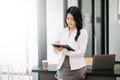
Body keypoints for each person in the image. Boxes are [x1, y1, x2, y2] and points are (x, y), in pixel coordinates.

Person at [53, 6, 88, 80]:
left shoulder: (83, 32)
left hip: (77, 68)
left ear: (77, 19)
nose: (69, 21)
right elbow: (56, 52)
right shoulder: (62, 32)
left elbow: (81, 52)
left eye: (72, 19)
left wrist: (65, 51)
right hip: (62, 67)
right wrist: (56, 48)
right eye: (68, 18)